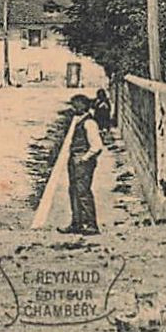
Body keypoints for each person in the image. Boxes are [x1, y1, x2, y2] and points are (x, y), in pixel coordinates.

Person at [60, 94, 103, 236]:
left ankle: (91, 224)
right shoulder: (79, 120)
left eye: (76, 104)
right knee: (74, 191)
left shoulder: (89, 123)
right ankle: (77, 222)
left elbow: (97, 146)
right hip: (75, 159)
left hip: (82, 160)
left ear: (84, 105)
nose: (74, 107)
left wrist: (84, 158)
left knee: (83, 192)